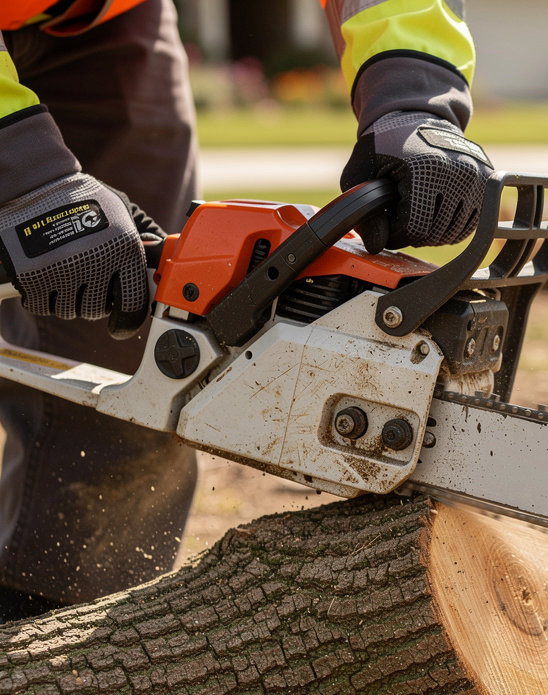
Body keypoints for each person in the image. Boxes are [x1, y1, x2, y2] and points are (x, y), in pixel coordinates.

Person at [0, 0, 493, 621]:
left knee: (146, 356)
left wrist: (416, 99)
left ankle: (54, 632)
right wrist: (22, 172)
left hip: (107, 21)